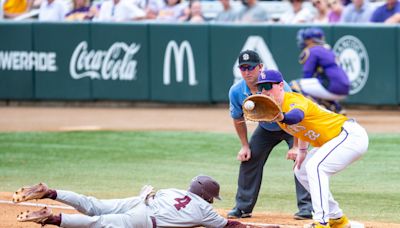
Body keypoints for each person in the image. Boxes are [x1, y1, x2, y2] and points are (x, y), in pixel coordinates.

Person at [255, 69, 369, 228]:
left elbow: (297, 117)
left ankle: (321, 221)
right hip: (337, 140)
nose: (264, 91)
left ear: (281, 85)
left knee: (315, 166)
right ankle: (337, 219)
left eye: (268, 86)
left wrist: (282, 117)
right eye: (261, 88)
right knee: (301, 170)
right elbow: (300, 128)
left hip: (350, 136)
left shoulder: (292, 100)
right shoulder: (277, 110)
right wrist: (302, 151)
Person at [227, 50, 313, 220]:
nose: (247, 72)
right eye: (243, 68)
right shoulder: (236, 91)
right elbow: (238, 119)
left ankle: (307, 208)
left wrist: (296, 147)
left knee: (302, 160)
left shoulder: (276, 85)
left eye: (250, 67)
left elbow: (296, 117)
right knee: (249, 159)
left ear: (260, 67)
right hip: (267, 129)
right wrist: (245, 145)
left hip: (291, 126)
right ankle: (243, 207)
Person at [14, 175, 256, 228]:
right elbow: (230, 226)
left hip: (141, 201)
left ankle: (51, 192)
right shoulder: (205, 211)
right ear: (206, 196)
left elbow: (152, 194)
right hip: (143, 219)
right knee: (97, 222)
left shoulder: (173, 190)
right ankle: (52, 218)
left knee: (93, 204)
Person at [291, 27, 350, 114]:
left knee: (295, 85)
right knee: (313, 86)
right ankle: (336, 108)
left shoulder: (312, 50)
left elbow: (307, 76)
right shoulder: (327, 49)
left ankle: (320, 112)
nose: (303, 41)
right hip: (344, 87)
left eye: (305, 39)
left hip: (333, 86)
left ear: (310, 40)